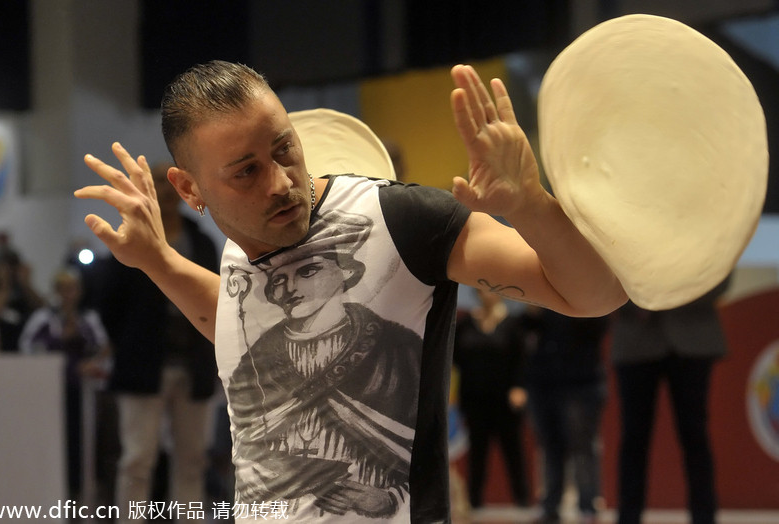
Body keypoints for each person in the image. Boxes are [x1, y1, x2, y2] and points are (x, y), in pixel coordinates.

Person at [75, 60, 626, 522]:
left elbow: (594, 296)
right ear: (191, 189)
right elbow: (234, 326)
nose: (281, 182)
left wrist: (529, 203)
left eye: (284, 148)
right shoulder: (240, 247)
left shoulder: (401, 219)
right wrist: (158, 262)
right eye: (245, 172)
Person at [87, 162, 219, 523]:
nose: (162, 187)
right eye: (156, 180)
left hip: (194, 363)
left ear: (181, 186)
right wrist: (128, 343)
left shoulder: (202, 240)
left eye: (167, 180)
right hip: (143, 362)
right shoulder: (131, 236)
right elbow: (108, 301)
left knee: (192, 457)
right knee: (137, 458)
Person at [610, 276, 731, 524]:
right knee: (634, 437)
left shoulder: (706, 235)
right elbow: (607, 274)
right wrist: (640, 301)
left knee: (695, 436)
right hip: (636, 339)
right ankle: (628, 517)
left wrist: (668, 296)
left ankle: (704, 517)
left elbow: (722, 271)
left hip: (693, 339)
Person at [18, 266, 111, 498]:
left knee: (84, 446)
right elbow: (27, 349)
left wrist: (91, 364)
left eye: (73, 289)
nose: (69, 294)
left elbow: (103, 349)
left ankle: (83, 493)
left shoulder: (89, 320)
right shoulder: (44, 319)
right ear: (56, 291)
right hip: (50, 394)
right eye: (64, 289)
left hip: (83, 393)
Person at [524, 307, 609, 524]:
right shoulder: (542, 291)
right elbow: (526, 330)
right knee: (550, 447)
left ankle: (588, 506)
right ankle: (550, 506)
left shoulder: (591, 293)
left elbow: (598, 327)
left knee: (582, 446)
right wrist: (531, 313)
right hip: (543, 380)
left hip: (581, 382)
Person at [453, 287, 529, 508]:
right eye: (481, 290)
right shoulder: (466, 324)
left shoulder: (513, 324)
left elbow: (522, 359)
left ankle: (522, 500)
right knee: (477, 452)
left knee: (513, 450)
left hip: (506, 399)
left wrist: (519, 387)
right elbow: (455, 358)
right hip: (474, 397)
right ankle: (474, 501)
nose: (486, 294)